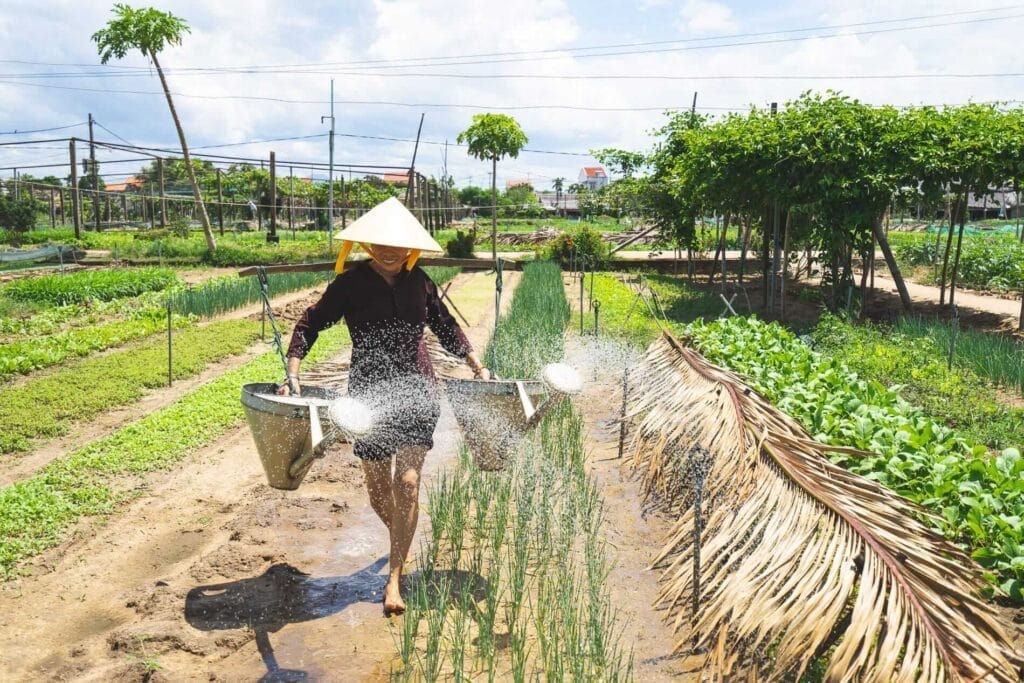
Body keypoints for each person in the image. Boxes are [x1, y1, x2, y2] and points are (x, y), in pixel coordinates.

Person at [278, 197, 489, 616]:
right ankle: (404, 536)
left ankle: (394, 579)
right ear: (367, 245)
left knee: (407, 483)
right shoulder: (350, 285)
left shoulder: (420, 282)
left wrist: (476, 365)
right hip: (368, 397)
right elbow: (310, 322)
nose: (388, 251)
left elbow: (445, 326)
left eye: (396, 244)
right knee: (379, 493)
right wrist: (293, 373)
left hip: (417, 390)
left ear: (410, 246)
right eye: (379, 244)